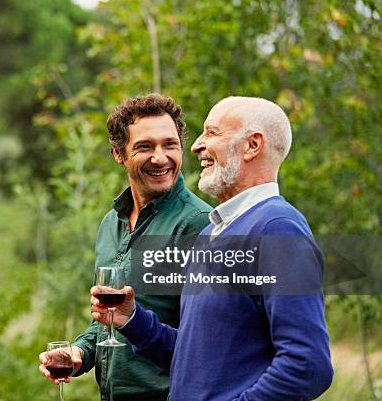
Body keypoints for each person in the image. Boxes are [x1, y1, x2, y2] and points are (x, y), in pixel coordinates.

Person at [90, 96, 334, 400]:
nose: (195, 146)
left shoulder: (277, 228)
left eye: (213, 132)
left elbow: (308, 365)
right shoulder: (212, 233)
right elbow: (195, 361)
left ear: (252, 145)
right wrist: (133, 321)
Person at [39, 93, 212, 400]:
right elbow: (107, 318)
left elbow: (205, 345)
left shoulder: (196, 224)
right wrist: (80, 352)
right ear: (118, 154)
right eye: (145, 147)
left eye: (170, 144)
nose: (160, 158)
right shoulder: (111, 223)